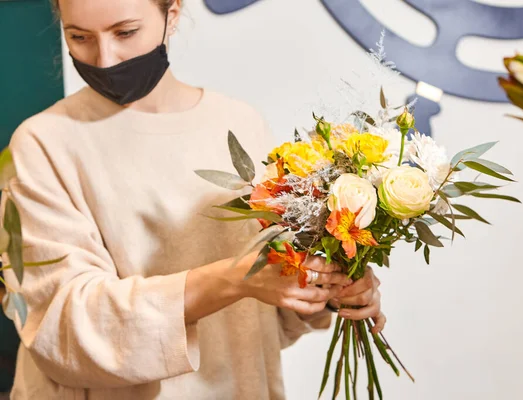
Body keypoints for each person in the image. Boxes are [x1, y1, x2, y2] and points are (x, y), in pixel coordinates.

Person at [0, 0, 386, 398]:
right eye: (78, 37)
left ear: (173, 13)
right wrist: (237, 279)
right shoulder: (42, 143)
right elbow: (61, 326)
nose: (105, 59)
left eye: (125, 33)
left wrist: (329, 288)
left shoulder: (238, 124)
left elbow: (260, 319)